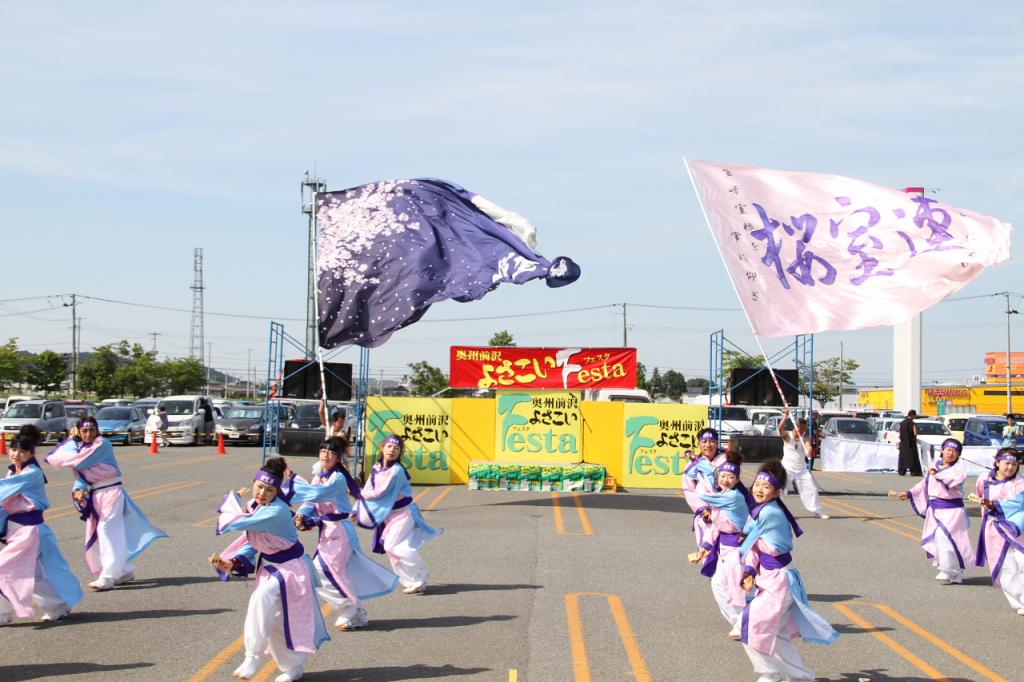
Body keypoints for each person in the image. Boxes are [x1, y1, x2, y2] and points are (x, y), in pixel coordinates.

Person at [211, 457, 329, 682]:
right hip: (270, 567)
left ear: (276, 491)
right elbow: (250, 541)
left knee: (261, 598)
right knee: (275, 621)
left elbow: (232, 523)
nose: (262, 493)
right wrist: (233, 563)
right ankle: (292, 667)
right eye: (259, 487)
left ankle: (252, 656)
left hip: (292, 569)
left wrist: (231, 500)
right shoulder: (254, 507)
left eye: (269, 489)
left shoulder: (276, 511)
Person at [738, 460, 839, 681]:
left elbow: (746, 543)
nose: (759, 489)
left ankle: (770, 672)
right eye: (757, 484)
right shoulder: (761, 510)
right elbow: (753, 546)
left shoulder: (768, 513)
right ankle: (802, 678)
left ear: (776, 493)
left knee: (750, 625)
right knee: (778, 634)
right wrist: (749, 571)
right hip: (771, 578)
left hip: (779, 580)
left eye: (766, 487)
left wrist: (739, 561)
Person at [45, 416, 167, 591]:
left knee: (107, 530)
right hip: (95, 495)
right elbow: (79, 473)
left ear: (97, 431)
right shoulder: (81, 448)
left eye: (92, 430)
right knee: (101, 533)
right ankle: (124, 570)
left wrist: (71, 440)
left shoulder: (102, 445)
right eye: (84, 431)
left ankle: (108, 576)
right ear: (79, 431)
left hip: (111, 492)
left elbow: (70, 460)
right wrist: (79, 490)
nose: (88, 434)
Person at [292, 437, 399, 631]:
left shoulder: (337, 478)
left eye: (332, 453)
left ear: (339, 458)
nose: (326, 455)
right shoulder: (320, 475)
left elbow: (316, 494)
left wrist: (292, 482)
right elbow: (310, 503)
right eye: (323, 451)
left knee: (320, 571)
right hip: (328, 531)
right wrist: (300, 515)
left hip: (339, 530)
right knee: (336, 573)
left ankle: (348, 607)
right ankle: (356, 611)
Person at [0, 426, 84, 625]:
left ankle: (2, 614)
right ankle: (58, 605)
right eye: (13, 449)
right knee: (34, 574)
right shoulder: (13, 470)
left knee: (4, 569)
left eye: (22, 451)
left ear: (31, 453)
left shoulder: (32, 473)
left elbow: (2, 491)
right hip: (20, 530)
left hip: (29, 531)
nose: (16, 454)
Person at [357, 434, 442, 594]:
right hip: (390, 515)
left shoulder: (396, 471)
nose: (392, 450)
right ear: (382, 448)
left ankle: (420, 575)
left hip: (404, 513)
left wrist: (358, 492)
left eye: (397, 448)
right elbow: (369, 487)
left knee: (393, 546)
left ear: (400, 453)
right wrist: (359, 501)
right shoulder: (377, 467)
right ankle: (413, 581)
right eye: (389, 446)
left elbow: (380, 493)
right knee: (392, 549)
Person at [689, 450, 753, 639]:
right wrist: (705, 548)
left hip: (737, 550)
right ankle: (742, 622)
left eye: (730, 477)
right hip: (724, 549)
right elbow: (716, 525)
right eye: (723, 476)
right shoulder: (724, 495)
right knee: (719, 584)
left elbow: (702, 495)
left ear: (737, 480)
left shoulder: (733, 497)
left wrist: (700, 469)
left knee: (736, 588)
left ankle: (746, 623)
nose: (725, 479)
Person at [894, 438, 975, 584]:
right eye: (948, 450)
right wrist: (909, 493)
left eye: (955, 451)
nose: (951, 453)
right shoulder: (935, 466)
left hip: (953, 511)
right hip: (935, 509)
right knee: (940, 539)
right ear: (942, 450)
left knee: (946, 537)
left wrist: (936, 473)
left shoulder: (958, 469)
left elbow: (953, 480)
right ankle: (956, 573)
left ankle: (947, 570)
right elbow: (924, 484)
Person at [973, 449, 1024, 613]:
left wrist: (995, 505)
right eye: (1007, 463)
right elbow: (980, 494)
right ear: (997, 462)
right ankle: (1019, 603)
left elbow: (1019, 502)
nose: (1010, 467)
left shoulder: (1020, 482)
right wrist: (987, 505)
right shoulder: (984, 479)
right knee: (1006, 567)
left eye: (1014, 464)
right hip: (994, 528)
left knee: (1022, 561)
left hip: (1017, 527)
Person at [681, 427, 728, 551]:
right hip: (705, 515)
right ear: (699, 444)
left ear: (717, 443)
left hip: (726, 512)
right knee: (706, 551)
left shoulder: (727, 461)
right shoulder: (691, 466)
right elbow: (689, 490)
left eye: (712, 441)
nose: (708, 445)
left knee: (726, 552)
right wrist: (702, 509)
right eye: (704, 441)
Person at [779, 408, 829, 519]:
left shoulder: (805, 437)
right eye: (800, 429)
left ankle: (817, 510)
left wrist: (809, 451)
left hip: (801, 469)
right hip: (787, 467)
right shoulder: (787, 436)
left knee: (812, 489)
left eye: (804, 429)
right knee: (782, 489)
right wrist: (786, 416)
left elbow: (808, 448)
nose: (802, 432)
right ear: (795, 427)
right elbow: (780, 428)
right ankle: (777, 510)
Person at [898, 410, 922, 476]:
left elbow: (899, 432)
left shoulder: (902, 423)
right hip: (911, 443)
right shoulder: (912, 423)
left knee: (903, 458)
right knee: (913, 458)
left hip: (903, 443)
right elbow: (915, 433)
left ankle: (902, 471)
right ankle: (914, 472)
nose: (915, 416)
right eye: (915, 415)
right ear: (912, 415)